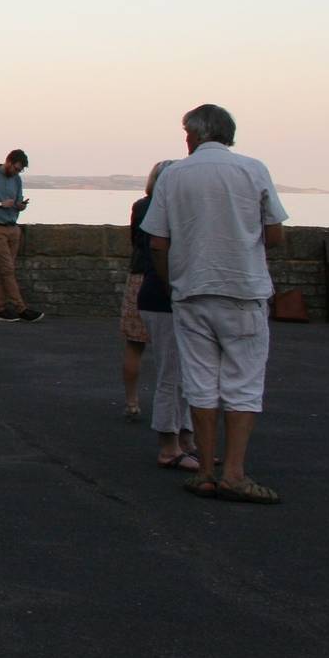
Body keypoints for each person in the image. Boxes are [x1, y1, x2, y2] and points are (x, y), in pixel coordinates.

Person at [141, 104, 288, 504]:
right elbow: (274, 235)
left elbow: (158, 241)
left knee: (200, 384)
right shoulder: (252, 169)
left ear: (196, 134)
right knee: (243, 383)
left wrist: (174, 283)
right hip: (242, 289)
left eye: (186, 133)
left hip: (191, 291)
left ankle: (205, 471)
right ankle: (234, 474)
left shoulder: (173, 175)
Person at [132, 160, 198, 470]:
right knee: (172, 375)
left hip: (163, 295)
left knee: (185, 375)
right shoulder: (155, 210)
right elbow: (157, 250)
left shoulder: (150, 208)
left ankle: (185, 438)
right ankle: (170, 445)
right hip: (163, 297)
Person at [0, 149, 43, 322]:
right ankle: (21, 308)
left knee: (4, 271)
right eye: (16, 169)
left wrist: (20, 206)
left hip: (13, 229)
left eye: (19, 171)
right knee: (7, 269)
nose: (17, 173)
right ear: (9, 162)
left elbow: (17, 201)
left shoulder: (17, 180)